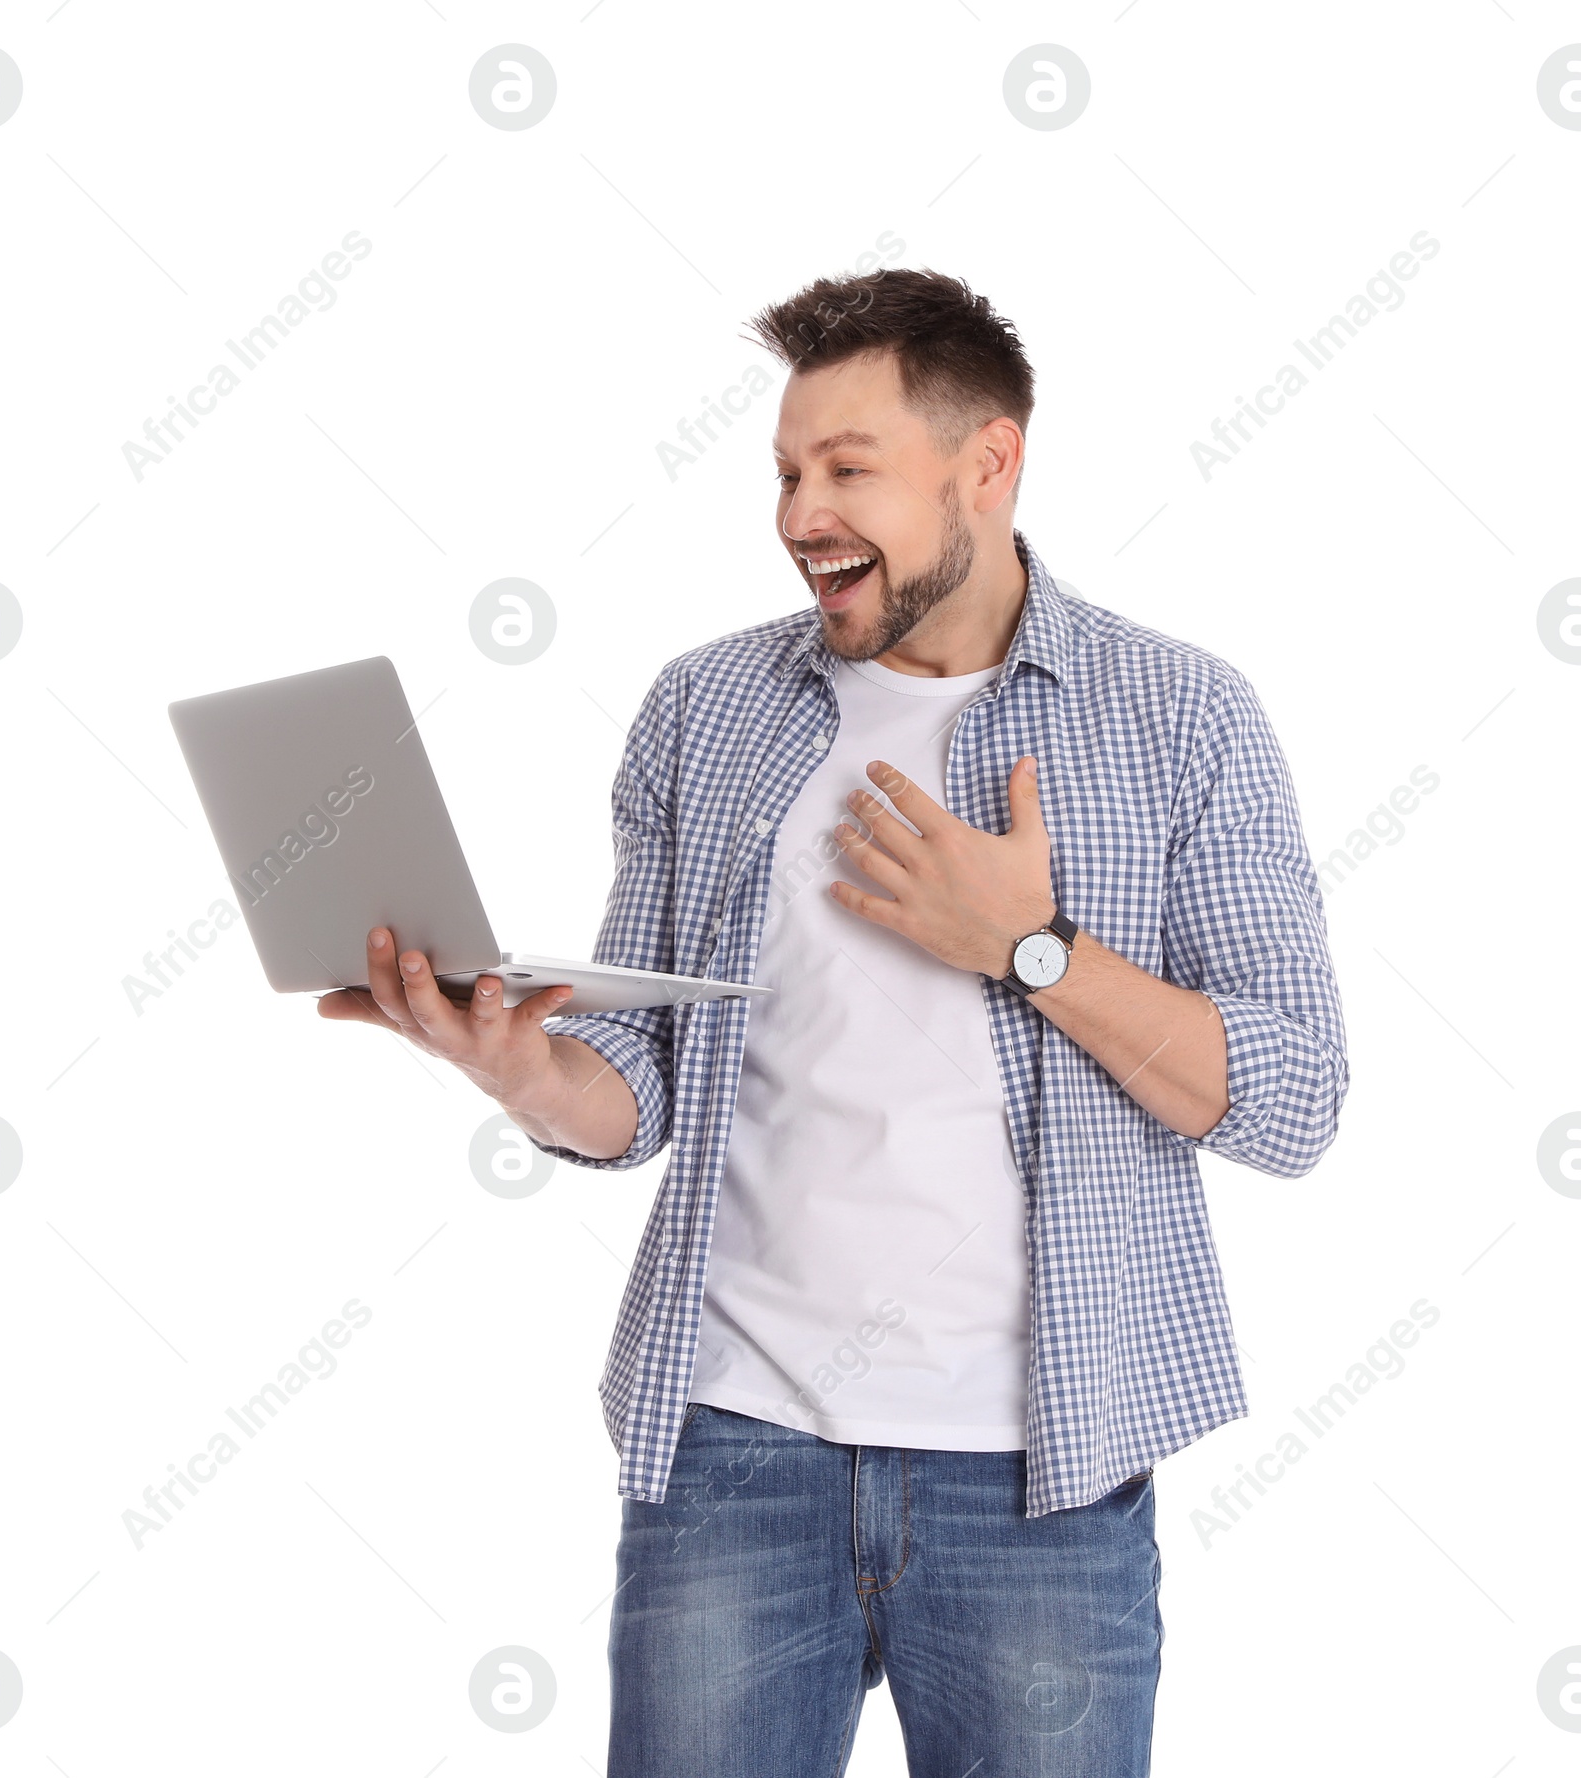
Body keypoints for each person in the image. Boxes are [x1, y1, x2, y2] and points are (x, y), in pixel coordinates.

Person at [320, 268, 1349, 1776]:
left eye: (847, 467)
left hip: (1040, 1482)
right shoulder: (708, 707)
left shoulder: (1177, 716)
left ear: (987, 464)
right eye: (788, 471)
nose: (801, 510)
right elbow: (638, 1077)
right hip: (730, 1457)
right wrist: (518, 1067)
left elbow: (1294, 1098)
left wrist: (1027, 949)